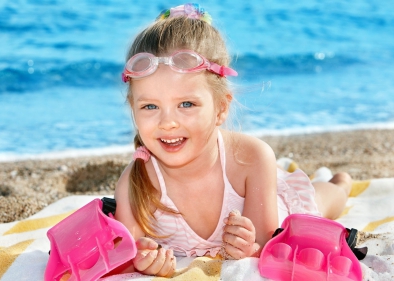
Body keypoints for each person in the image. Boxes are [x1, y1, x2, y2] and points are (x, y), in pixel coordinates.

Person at [114, 3, 352, 278]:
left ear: (221, 108)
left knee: (320, 203)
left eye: (187, 104)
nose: (168, 122)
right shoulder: (135, 182)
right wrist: (145, 261)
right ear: (133, 109)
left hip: (277, 209)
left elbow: (266, 245)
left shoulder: (252, 157)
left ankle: (341, 183)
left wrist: (249, 246)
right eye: (150, 107)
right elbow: (128, 255)